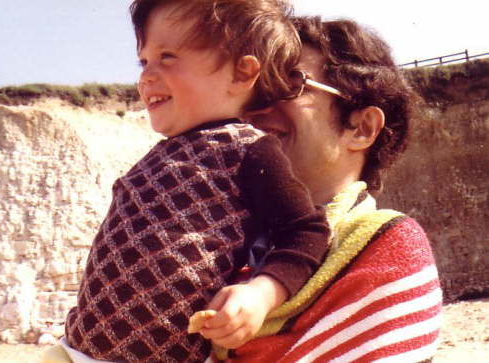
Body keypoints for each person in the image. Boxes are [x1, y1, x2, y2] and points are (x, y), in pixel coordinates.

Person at [60, 1, 330, 362]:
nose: (146, 77)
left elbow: (305, 230)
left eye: (167, 56)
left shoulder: (248, 149)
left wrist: (260, 295)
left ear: (241, 73)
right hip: (74, 350)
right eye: (143, 62)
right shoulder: (157, 154)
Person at [203, 15, 442, 362]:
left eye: (286, 86)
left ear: (361, 127)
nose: (253, 110)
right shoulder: (221, 244)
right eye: (250, 90)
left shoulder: (388, 247)